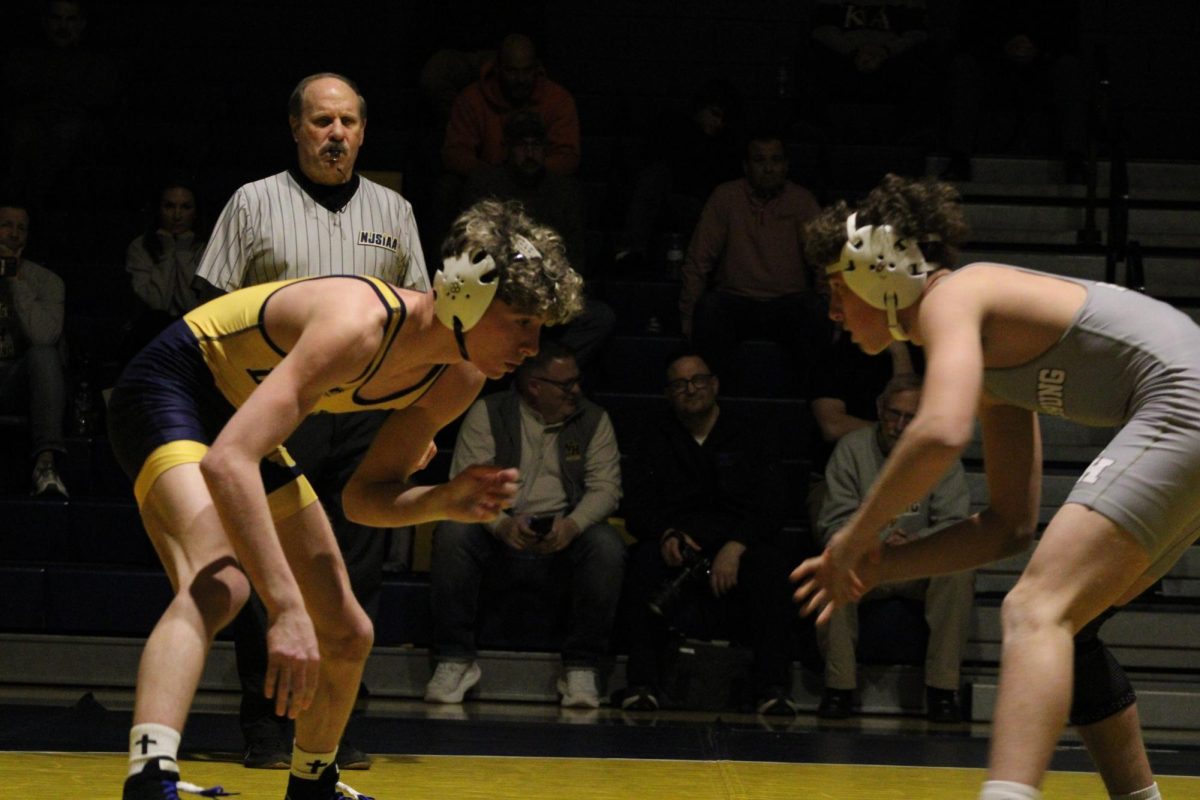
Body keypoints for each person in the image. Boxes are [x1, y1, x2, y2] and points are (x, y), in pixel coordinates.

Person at [110, 198, 584, 800]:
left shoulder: (459, 376)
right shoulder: (357, 324)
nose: (532, 346)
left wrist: (443, 500)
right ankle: (151, 776)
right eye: (521, 322)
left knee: (347, 630)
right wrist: (284, 608)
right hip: (174, 388)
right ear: (465, 295)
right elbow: (230, 461)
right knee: (221, 583)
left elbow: (365, 499)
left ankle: (313, 782)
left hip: (241, 417)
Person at [792, 173, 1184, 800]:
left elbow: (939, 432)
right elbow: (1008, 525)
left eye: (837, 292)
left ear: (880, 273)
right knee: (1068, 626)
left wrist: (851, 539)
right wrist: (880, 564)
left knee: (1035, 609)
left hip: (1183, 404)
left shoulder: (955, 296)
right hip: (1184, 410)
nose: (833, 312)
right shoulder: (990, 360)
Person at [193, 72, 432, 771]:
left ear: (363, 131)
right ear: (297, 127)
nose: (336, 135)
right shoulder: (253, 203)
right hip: (277, 407)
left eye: (349, 123)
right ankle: (268, 727)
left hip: (365, 411)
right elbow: (209, 314)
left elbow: (422, 321)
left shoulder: (394, 209)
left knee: (355, 572)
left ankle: (337, 729)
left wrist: (420, 422)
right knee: (272, 569)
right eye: (323, 122)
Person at [424, 339, 624, 709]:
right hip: (497, 533)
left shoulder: (594, 419)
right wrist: (499, 524)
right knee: (453, 532)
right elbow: (467, 484)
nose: (576, 390)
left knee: (606, 545)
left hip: (564, 534)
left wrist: (573, 526)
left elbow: (607, 489)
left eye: (577, 381)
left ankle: (581, 667)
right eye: (566, 385)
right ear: (535, 386)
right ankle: (455, 659)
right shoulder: (489, 412)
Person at [615, 350, 804, 714]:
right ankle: (642, 685)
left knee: (770, 567)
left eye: (698, 380)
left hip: (738, 545)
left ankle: (772, 689)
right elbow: (637, 505)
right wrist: (667, 533)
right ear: (669, 393)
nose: (691, 389)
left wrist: (736, 545)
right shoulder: (654, 436)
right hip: (678, 545)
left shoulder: (750, 432)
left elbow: (772, 502)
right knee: (641, 563)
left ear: (714, 384)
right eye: (680, 384)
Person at [814, 373, 972, 722]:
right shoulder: (852, 450)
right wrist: (874, 541)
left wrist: (918, 544)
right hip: (867, 563)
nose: (899, 425)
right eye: (893, 414)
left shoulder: (940, 455)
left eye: (910, 417)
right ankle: (839, 687)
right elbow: (832, 522)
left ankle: (943, 690)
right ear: (879, 409)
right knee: (831, 564)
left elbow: (956, 525)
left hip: (917, 565)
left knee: (959, 570)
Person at [678, 130, 826, 395]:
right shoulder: (726, 197)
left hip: (788, 303)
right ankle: (716, 401)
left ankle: (809, 403)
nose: (769, 168)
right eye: (760, 160)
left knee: (814, 311)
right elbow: (698, 261)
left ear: (786, 165)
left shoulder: (802, 201)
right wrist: (688, 317)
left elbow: (825, 263)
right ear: (746, 166)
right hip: (736, 301)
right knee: (710, 308)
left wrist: (833, 315)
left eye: (776, 160)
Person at [463, 110, 614, 368]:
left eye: (536, 145)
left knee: (600, 317)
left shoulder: (565, 190)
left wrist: (553, 291)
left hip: (550, 293)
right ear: (508, 148)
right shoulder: (486, 184)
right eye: (523, 145)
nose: (530, 152)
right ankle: (522, 362)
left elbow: (575, 255)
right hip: (499, 295)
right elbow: (471, 249)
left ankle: (539, 367)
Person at [441, 33, 581, 179]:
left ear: (536, 68)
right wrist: (497, 176)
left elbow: (567, 157)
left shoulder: (558, 100)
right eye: (512, 71)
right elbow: (455, 153)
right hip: (487, 186)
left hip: (540, 182)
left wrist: (527, 172)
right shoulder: (471, 100)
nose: (520, 79)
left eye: (527, 70)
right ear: (498, 69)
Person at [0, 201, 68, 497]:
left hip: (17, 380)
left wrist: (15, 280)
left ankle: (46, 465)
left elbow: (43, 336)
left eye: (21, 228)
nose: (13, 234)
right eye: (6, 225)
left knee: (44, 354)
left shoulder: (46, 281)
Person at [121, 180, 207, 362]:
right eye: (169, 206)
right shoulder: (140, 246)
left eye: (185, 207)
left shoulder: (205, 247)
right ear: (158, 209)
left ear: (195, 212)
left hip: (194, 332)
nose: (177, 215)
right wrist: (168, 251)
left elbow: (190, 304)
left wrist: (182, 250)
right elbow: (157, 302)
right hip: (150, 331)